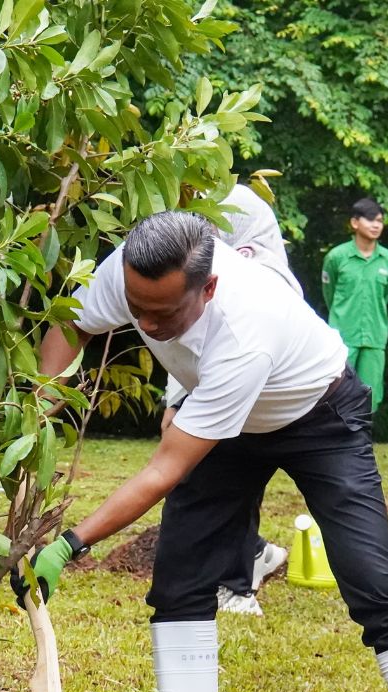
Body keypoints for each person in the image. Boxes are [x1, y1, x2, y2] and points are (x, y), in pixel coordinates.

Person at [27, 211, 388, 692]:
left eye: (163, 313)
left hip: (319, 415)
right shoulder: (132, 270)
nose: (144, 323)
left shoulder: (245, 329)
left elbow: (166, 467)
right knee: (180, 583)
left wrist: (71, 543)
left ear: (209, 286)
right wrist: (39, 411)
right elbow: (73, 325)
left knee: (374, 585)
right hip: (221, 419)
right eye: (136, 309)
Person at [166, 184, 292, 614]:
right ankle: (255, 554)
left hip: (256, 353)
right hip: (212, 359)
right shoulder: (178, 214)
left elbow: (213, 315)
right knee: (209, 474)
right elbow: (178, 322)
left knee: (239, 464)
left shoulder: (237, 208)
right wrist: (175, 398)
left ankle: (238, 585)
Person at [321, 198, 388, 412]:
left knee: (370, 395)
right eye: (370, 220)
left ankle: (363, 443)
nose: (376, 225)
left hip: (374, 337)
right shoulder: (336, 257)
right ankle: (337, 441)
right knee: (338, 391)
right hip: (344, 337)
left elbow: (385, 295)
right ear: (355, 223)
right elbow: (330, 295)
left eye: (380, 221)